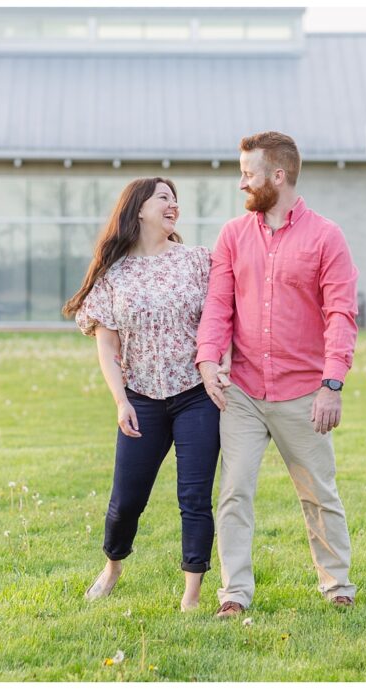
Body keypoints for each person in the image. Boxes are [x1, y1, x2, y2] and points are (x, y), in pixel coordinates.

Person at [195, 131, 360, 617]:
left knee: (318, 493)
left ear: (278, 176)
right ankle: (234, 594)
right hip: (242, 392)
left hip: (303, 394)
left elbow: (341, 315)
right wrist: (208, 359)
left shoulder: (326, 237)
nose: (241, 183)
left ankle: (337, 586)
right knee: (234, 491)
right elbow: (218, 306)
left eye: (249, 174)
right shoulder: (232, 235)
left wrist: (332, 385)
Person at [63, 177, 228, 612]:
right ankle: (112, 566)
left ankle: (191, 593)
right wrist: (121, 401)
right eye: (164, 198)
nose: (173, 205)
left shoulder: (197, 261)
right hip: (141, 399)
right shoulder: (114, 274)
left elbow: (222, 318)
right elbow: (106, 344)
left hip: (195, 395)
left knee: (194, 497)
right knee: (127, 499)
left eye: (176, 199)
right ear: (138, 209)